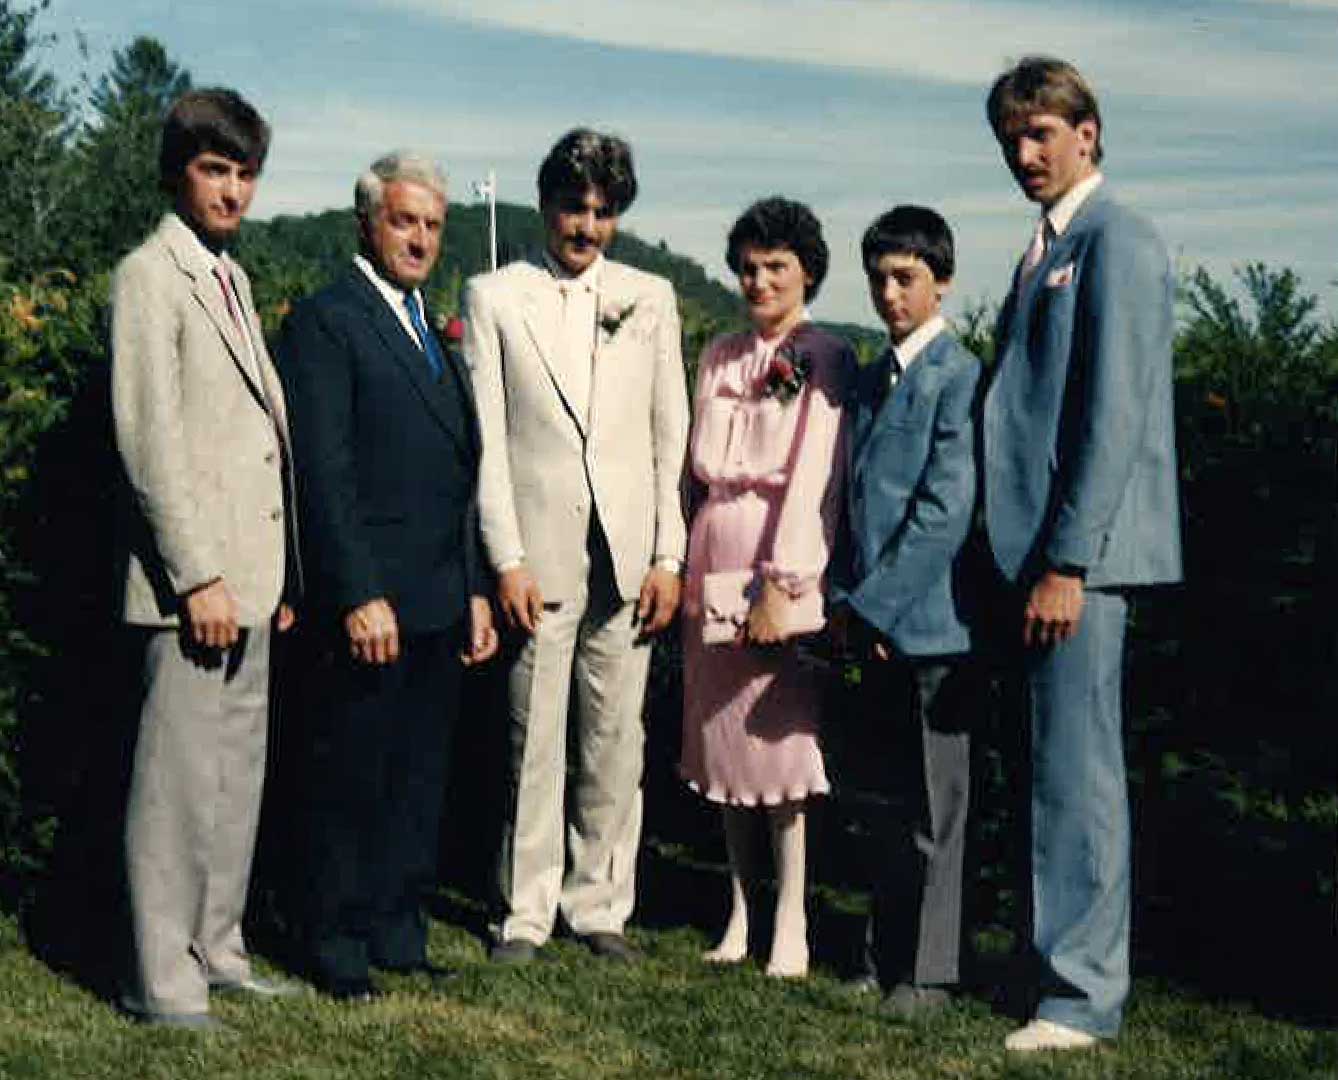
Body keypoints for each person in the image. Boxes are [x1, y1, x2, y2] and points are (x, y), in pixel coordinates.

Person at [981, 57, 1182, 1051]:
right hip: (1038, 556)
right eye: (1011, 139)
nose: (1025, 154)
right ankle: (1050, 971)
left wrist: (1068, 562)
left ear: (1088, 134)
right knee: (1049, 771)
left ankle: (1081, 998)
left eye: (1042, 134)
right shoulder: (1050, 246)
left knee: (1078, 776)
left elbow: (1114, 416)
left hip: (1080, 563)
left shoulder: (1119, 240)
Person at [464, 128, 689, 965]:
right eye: (572, 208)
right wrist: (507, 557)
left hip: (627, 557)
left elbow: (671, 437)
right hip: (539, 554)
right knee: (531, 738)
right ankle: (523, 911)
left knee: (615, 739)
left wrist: (668, 557)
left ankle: (598, 905)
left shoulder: (650, 298)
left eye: (602, 212)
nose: (586, 226)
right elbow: (489, 443)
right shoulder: (495, 296)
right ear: (544, 204)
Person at [277, 151, 497, 1001]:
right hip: (371, 600)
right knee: (349, 775)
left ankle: (396, 928)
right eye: (405, 221)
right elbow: (323, 471)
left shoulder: (430, 328)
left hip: (439, 596)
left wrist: (474, 588)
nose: (420, 239)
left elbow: (457, 474)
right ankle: (331, 938)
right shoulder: (328, 321)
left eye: (433, 225)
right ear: (367, 224)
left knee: (417, 777)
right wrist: (356, 591)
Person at [111, 88, 297, 1029]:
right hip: (194, 587)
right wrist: (197, 575)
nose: (232, 190)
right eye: (214, 169)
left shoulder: (230, 276)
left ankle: (217, 951)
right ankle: (161, 982)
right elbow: (151, 442)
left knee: (233, 780)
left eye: (245, 173)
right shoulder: (151, 275)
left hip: (250, 582)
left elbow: (253, 440)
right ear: (176, 173)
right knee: (177, 788)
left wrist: (276, 571)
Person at [679, 197, 851, 978]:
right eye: (749, 268)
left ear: (806, 272)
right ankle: (741, 909)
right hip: (711, 550)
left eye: (776, 266)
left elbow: (815, 473)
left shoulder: (821, 355)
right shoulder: (719, 355)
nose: (760, 281)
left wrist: (785, 582)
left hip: (775, 557)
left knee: (781, 750)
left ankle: (792, 919)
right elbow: (692, 470)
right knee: (722, 744)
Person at [827, 206, 980, 1015]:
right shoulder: (869, 379)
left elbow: (943, 512)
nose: (889, 294)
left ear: (941, 281)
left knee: (935, 809)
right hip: (871, 623)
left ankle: (929, 973)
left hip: (929, 628)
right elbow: (851, 503)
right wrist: (844, 603)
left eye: (906, 278)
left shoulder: (959, 376)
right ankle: (879, 953)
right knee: (883, 803)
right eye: (879, 279)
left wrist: (880, 610)